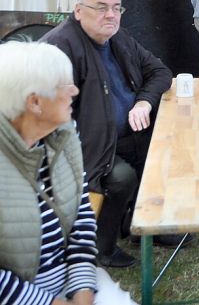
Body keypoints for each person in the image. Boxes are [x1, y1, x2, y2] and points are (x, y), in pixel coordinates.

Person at [41, 0, 175, 267]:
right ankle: (101, 245)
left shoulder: (118, 38)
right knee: (121, 177)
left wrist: (143, 101)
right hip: (87, 146)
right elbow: (46, 116)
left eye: (116, 8)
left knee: (165, 149)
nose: (111, 15)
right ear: (78, 10)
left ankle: (145, 228)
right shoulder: (59, 48)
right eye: (101, 7)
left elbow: (160, 71)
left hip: (127, 134)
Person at [0, 41, 137, 305]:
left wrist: (83, 290)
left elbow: (81, 216)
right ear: (35, 102)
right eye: (65, 86)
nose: (75, 90)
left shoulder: (63, 136)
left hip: (68, 283)